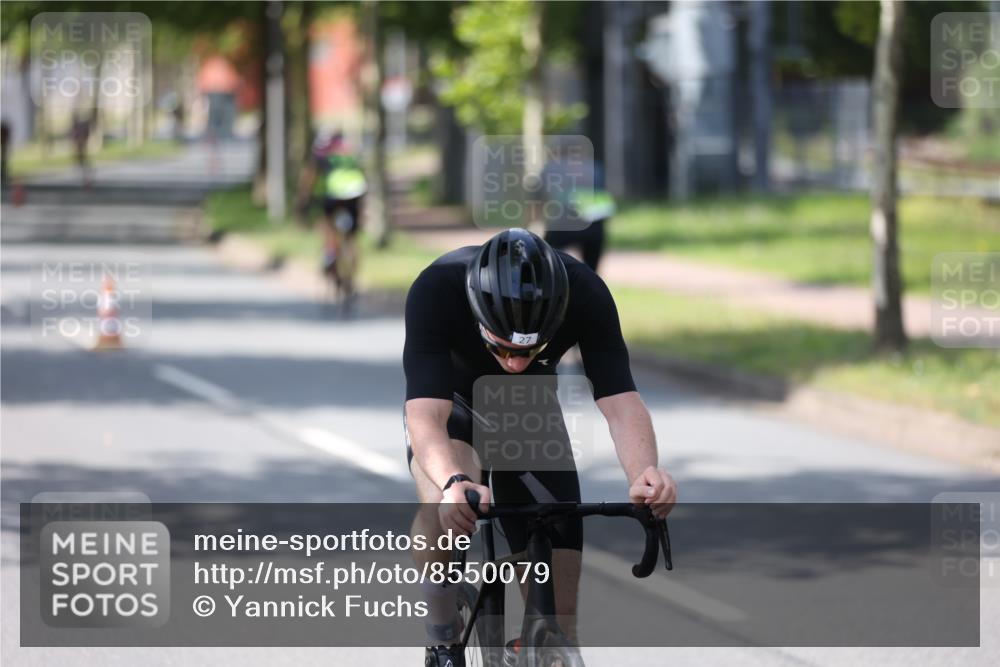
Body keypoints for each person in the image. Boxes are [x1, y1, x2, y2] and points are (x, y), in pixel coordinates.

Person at [403, 228, 677, 666]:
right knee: (442, 504)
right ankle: (441, 633)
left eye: (532, 352)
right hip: (453, 405)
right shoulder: (438, 288)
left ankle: (537, 648)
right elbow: (424, 417)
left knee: (560, 623)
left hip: (526, 415)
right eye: (502, 347)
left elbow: (622, 402)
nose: (515, 364)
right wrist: (453, 481)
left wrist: (644, 473)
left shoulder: (585, 292)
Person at [295, 132, 367, 301]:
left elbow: (309, 179)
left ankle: (330, 255)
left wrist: (303, 202)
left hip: (334, 194)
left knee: (328, 228)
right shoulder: (350, 153)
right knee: (351, 239)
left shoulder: (321, 154)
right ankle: (351, 277)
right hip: (355, 194)